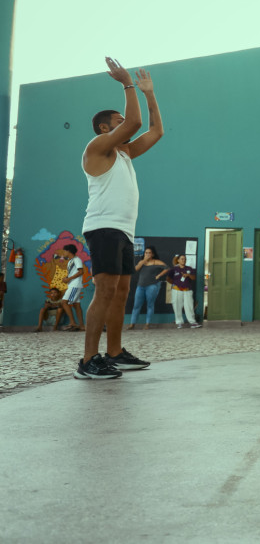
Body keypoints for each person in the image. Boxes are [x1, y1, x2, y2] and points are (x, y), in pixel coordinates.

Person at [74, 59, 162, 380]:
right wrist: (128, 84)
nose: (125, 123)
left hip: (123, 231)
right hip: (103, 227)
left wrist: (149, 93)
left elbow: (156, 131)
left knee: (121, 292)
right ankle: (87, 361)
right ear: (104, 128)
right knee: (105, 291)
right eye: (118, 121)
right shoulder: (97, 147)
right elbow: (137, 123)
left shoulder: (124, 154)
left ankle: (114, 353)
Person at [128, 246, 167, 330]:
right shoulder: (142, 262)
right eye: (146, 253)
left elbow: (167, 268)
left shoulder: (156, 262)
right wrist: (143, 261)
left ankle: (147, 324)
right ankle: (132, 324)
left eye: (149, 253)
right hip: (140, 286)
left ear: (152, 254)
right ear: (144, 254)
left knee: (150, 304)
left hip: (152, 286)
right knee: (136, 306)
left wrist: (159, 275)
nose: (148, 254)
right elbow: (135, 270)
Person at [158, 255, 198, 328]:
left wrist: (188, 275)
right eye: (182, 259)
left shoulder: (189, 268)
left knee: (189, 307)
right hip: (177, 290)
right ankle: (179, 322)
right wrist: (176, 283)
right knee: (177, 306)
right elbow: (168, 279)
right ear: (178, 260)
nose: (184, 260)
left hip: (187, 290)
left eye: (185, 259)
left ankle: (192, 322)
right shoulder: (174, 269)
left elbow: (194, 278)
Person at [57, 244, 87, 331]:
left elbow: (81, 271)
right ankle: (81, 326)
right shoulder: (71, 261)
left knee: (64, 302)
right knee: (77, 305)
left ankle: (73, 323)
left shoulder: (77, 260)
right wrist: (67, 278)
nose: (64, 253)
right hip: (72, 284)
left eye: (65, 251)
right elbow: (73, 272)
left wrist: (69, 278)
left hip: (75, 284)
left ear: (69, 251)